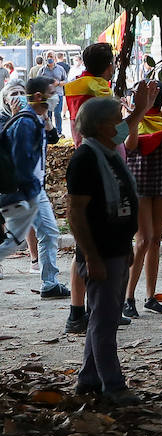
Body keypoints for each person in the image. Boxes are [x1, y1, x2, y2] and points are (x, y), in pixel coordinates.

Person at [67, 98, 142, 405]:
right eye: (116, 120)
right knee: (105, 321)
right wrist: (92, 256)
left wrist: (126, 244)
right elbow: (76, 213)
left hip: (115, 248)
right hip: (100, 252)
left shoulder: (109, 153)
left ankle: (88, 380)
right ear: (100, 126)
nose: (121, 125)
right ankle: (113, 384)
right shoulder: (86, 158)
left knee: (102, 316)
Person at [0, 77, 67, 299]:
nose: (56, 96)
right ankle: (49, 282)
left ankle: (49, 283)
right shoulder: (25, 122)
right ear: (39, 96)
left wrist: (46, 118)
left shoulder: (36, 118)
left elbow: (52, 138)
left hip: (34, 191)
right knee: (12, 241)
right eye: (51, 92)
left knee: (48, 232)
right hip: (25, 191)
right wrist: (28, 193)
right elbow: (21, 162)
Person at [123, 85, 162, 318]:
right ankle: (128, 297)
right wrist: (138, 113)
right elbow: (129, 146)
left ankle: (150, 297)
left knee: (156, 241)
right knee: (143, 240)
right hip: (138, 186)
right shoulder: (133, 118)